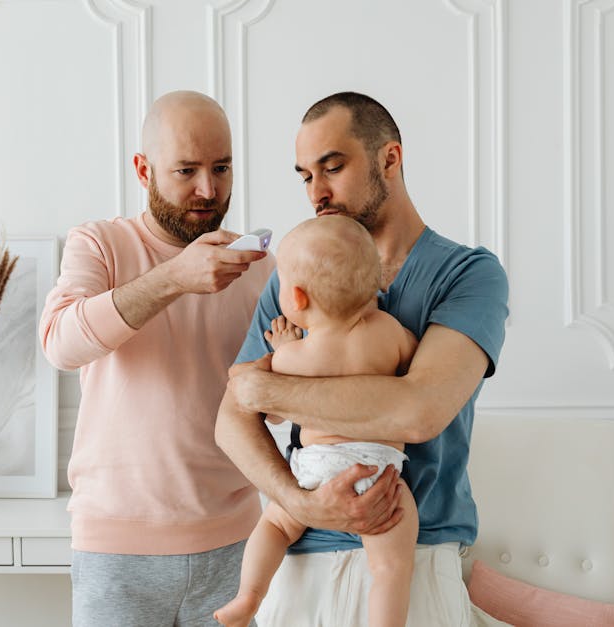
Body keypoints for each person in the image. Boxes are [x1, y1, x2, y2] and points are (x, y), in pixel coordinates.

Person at [214, 92, 510, 626]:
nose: (317, 193)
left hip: (412, 557)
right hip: (299, 561)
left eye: (333, 167)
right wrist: (300, 503)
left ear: (389, 159)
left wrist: (265, 390)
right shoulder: (295, 274)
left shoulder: (467, 275)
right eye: (305, 176)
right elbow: (229, 422)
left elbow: (418, 411)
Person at [39, 90, 274, 627]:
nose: (208, 190)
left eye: (222, 168)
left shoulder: (258, 267)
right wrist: (173, 278)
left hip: (235, 544)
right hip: (115, 551)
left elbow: (276, 410)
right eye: (186, 170)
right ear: (144, 170)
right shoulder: (99, 244)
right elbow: (60, 343)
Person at [214, 215, 419, 627]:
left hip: (313, 470)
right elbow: (415, 368)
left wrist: (286, 351)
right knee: (391, 568)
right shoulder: (389, 331)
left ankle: (248, 598)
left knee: (274, 523)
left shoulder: (292, 357)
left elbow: (265, 404)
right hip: (376, 469)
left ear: (298, 298)